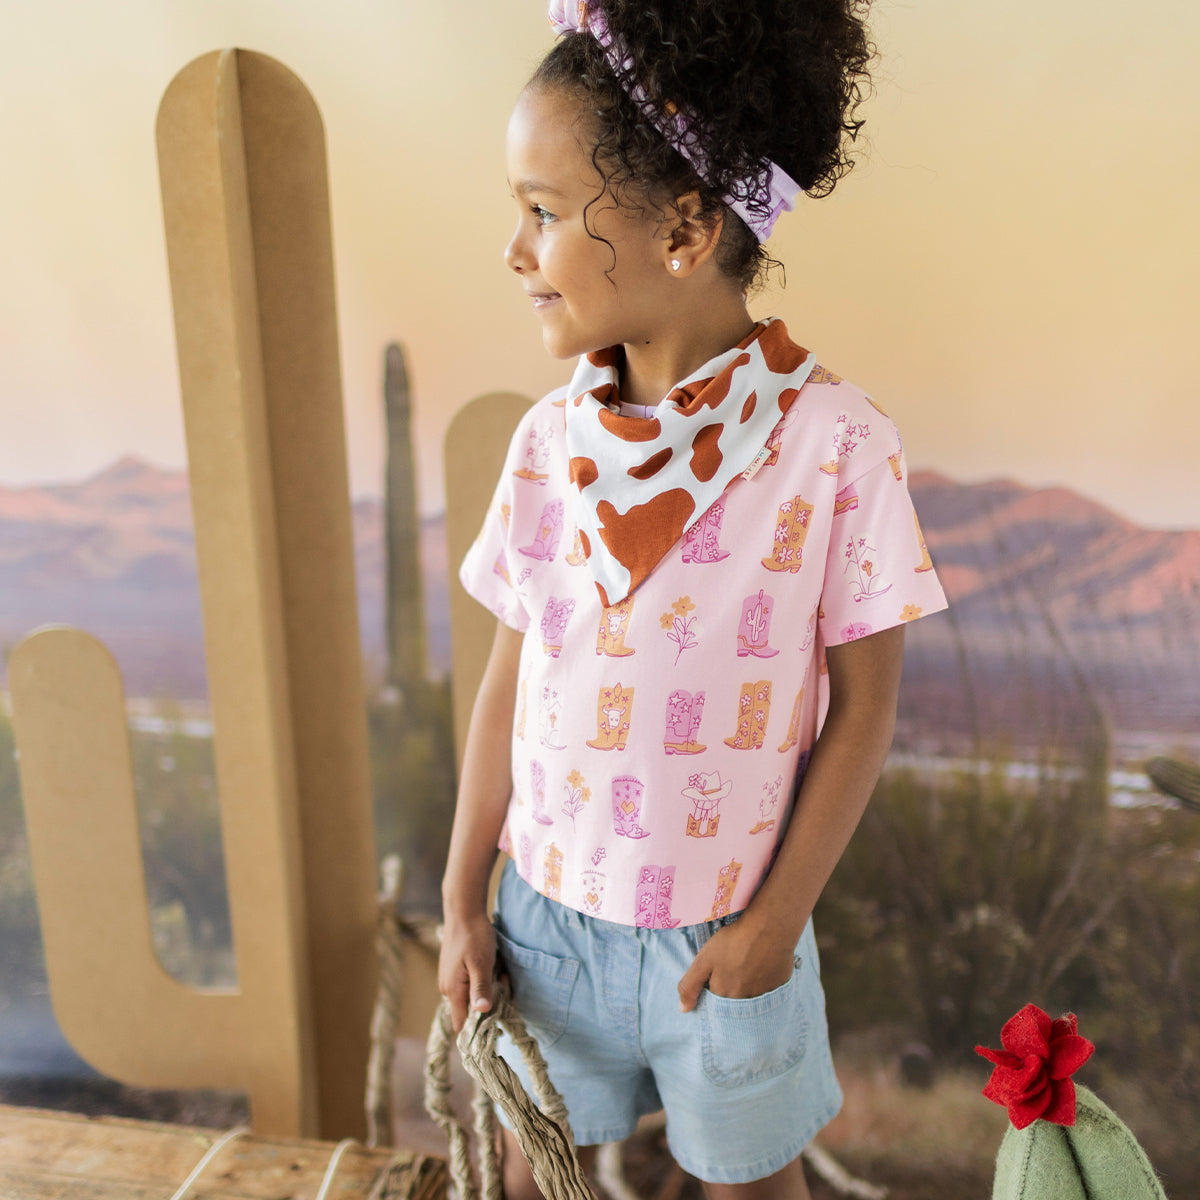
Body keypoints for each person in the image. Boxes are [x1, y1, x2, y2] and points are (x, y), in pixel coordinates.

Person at [438, 2, 948, 1196]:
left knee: (753, 1185)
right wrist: (465, 900)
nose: (516, 252)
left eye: (544, 212)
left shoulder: (835, 445)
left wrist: (772, 928)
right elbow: (514, 677)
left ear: (683, 227)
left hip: (725, 931)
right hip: (542, 924)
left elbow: (863, 713)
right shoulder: (546, 441)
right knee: (534, 1176)